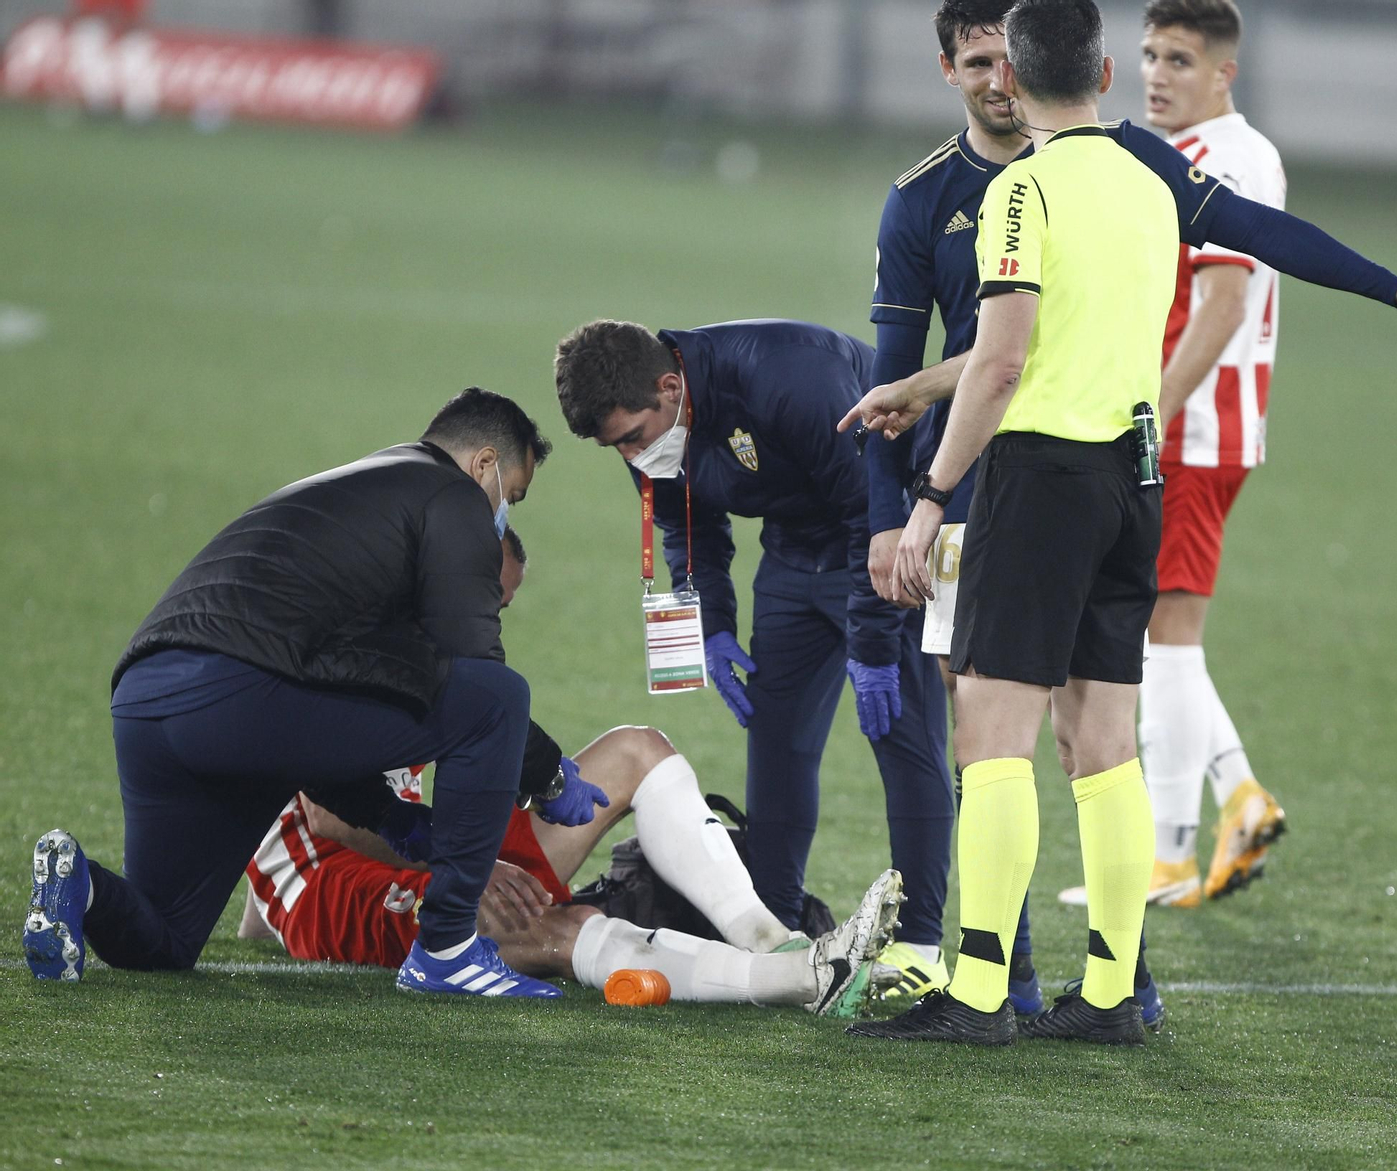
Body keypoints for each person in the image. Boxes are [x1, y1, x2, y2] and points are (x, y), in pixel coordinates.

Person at [844, 0, 1397, 1047]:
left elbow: (1005, 360)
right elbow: (1264, 235)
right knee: (1102, 740)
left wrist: (928, 497)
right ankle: (1109, 994)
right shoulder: (1152, 166)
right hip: (1136, 476)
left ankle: (975, 994)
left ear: (1010, 80)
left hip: (1040, 478)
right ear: (1106, 71)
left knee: (993, 732)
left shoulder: (1020, 190)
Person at [24, 389, 607, 1000]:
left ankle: (78, 884)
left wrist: (390, 816)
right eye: (510, 497)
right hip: (240, 694)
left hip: (147, 700)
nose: (502, 517)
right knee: (498, 697)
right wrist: (550, 778)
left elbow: (309, 717)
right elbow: (472, 666)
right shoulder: (451, 494)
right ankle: (447, 951)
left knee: (165, 938)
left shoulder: (356, 494)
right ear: (483, 463)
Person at [240, 532, 901, 1014]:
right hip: (334, 878)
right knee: (536, 927)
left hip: (416, 846)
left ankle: (775, 941)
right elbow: (328, 814)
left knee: (638, 749)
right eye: (489, 599)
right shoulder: (361, 644)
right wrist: (462, 859)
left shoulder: (420, 643)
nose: (492, 619)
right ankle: (804, 981)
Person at [553, 318, 955, 994]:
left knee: (903, 736)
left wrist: (875, 641)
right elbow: (687, 522)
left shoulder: (792, 378)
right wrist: (711, 622)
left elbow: (871, 510)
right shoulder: (652, 431)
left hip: (896, 537)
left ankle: (921, 948)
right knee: (778, 741)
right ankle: (775, 932)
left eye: (632, 438)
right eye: (614, 447)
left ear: (671, 387)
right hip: (795, 554)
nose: (630, 456)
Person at [1062, 0, 1287, 911]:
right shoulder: (1189, 154)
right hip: (1182, 428)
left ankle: (1169, 853)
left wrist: (1150, 412)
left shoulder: (1230, 157)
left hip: (1190, 432)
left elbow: (1225, 305)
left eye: (1181, 60)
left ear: (1224, 74)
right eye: (1150, 54)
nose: (1157, 73)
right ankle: (1238, 792)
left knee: (1167, 638)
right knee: (1153, 631)